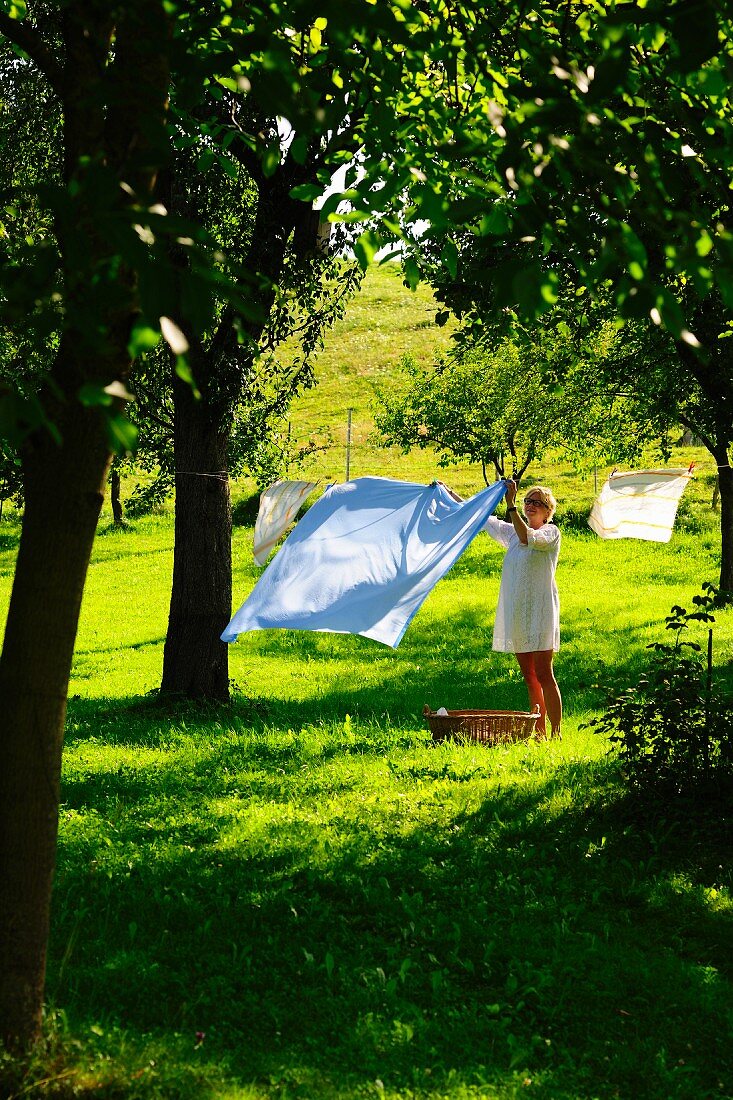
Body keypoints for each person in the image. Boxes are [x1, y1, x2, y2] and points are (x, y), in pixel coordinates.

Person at [484, 480, 562, 739]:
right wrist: (449, 493)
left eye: (536, 502)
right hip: (519, 613)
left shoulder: (550, 533)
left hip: (540, 612)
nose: (530, 505)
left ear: (548, 511)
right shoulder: (512, 534)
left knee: (544, 673)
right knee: (529, 675)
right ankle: (538, 731)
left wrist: (511, 505)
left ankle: (556, 730)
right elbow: (485, 519)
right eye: (527, 501)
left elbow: (528, 538)